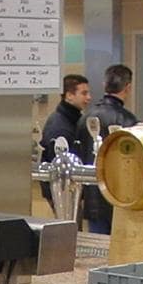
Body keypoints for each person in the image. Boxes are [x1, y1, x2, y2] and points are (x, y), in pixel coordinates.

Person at [75, 64, 138, 234]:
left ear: (105, 84)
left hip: (92, 197)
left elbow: (78, 155)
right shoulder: (128, 121)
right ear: (128, 87)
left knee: (97, 246)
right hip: (119, 197)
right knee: (119, 247)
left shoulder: (85, 118)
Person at [38, 74, 91, 206]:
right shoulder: (60, 127)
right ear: (69, 95)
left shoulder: (70, 120)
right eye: (84, 93)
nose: (88, 97)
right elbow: (59, 163)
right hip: (63, 191)